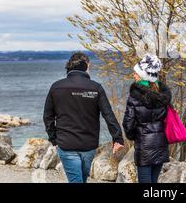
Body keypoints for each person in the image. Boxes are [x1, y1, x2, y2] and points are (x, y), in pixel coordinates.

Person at [43, 52, 125, 183]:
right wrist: (118, 138)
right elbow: (108, 115)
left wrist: (54, 138)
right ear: (86, 65)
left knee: (78, 180)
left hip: (66, 143)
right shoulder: (96, 87)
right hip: (89, 144)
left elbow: (48, 116)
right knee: (79, 180)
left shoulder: (57, 87)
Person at [122, 54, 171, 183]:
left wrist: (134, 136)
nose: (134, 75)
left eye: (136, 73)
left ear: (143, 75)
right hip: (161, 144)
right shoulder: (163, 95)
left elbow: (128, 123)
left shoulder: (135, 97)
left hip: (143, 146)